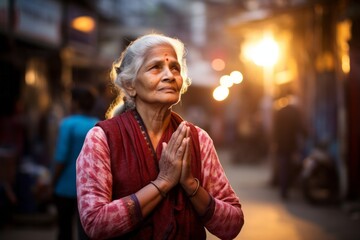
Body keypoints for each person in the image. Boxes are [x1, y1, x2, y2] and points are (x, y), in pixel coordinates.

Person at [76, 33, 244, 239]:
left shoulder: (198, 139)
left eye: (175, 68)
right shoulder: (102, 138)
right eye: (156, 67)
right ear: (130, 85)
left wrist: (190, 184)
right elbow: (95, 223)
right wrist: (164, 181)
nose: (170, 75)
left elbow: (233, 224)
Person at [52, 86, 99, 240]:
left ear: (76, 103)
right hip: (90, 189)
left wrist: (53, 182)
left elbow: (61, 157)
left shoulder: (67, 124)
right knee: (86, 233)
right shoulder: (98, 125)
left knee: (64, 230)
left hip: (65, 187)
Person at [271, 92, 306, 200]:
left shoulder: (279, 112)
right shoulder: (294, 112)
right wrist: (306, 135)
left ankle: (284, 191)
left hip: (281, 145)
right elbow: (299, 127)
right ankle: (288, 188)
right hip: (291, 145)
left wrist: (274, 142)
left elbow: (275, 129)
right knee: (290, 166)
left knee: (283, 167)